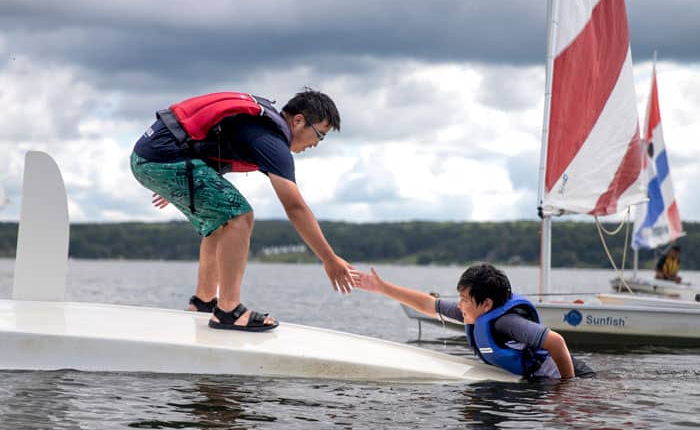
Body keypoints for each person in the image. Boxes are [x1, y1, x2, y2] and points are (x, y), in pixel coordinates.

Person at [131, 88, 355, 332]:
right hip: (162, 158)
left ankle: (203, 302)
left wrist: (174, 183)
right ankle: (229, 311)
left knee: (221, 219)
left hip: (154, 156)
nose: (316, 144)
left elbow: (203, 141)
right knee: (240, 216)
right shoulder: (271, 142)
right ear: (299, 120)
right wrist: (329, 259)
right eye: (319, 135)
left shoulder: (259, 129)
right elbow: (295, 207)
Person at [351, 263, 594, 379]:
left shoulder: (506, 323)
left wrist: (566, 389)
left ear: (486, 304)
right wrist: (382, 288)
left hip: (573, 374)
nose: (459, 304)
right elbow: (427, 304)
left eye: (464, 299)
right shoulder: (473, 312)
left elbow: (557, 342)